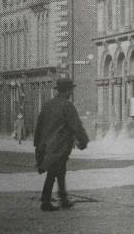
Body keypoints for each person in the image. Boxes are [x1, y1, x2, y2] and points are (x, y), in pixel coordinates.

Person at [34, 78, 89, 212]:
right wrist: (83, 140)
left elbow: (39, 126)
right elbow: (75, 125)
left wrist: (38, 144)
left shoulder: (48, 104)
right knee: (54, 172)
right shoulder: (67, 105)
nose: (71, 92)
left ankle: (63, 199)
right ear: (68, 91)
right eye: (71, 90)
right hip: (60, 145)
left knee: (60, 171)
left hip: (48, 145)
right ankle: (45, 201)